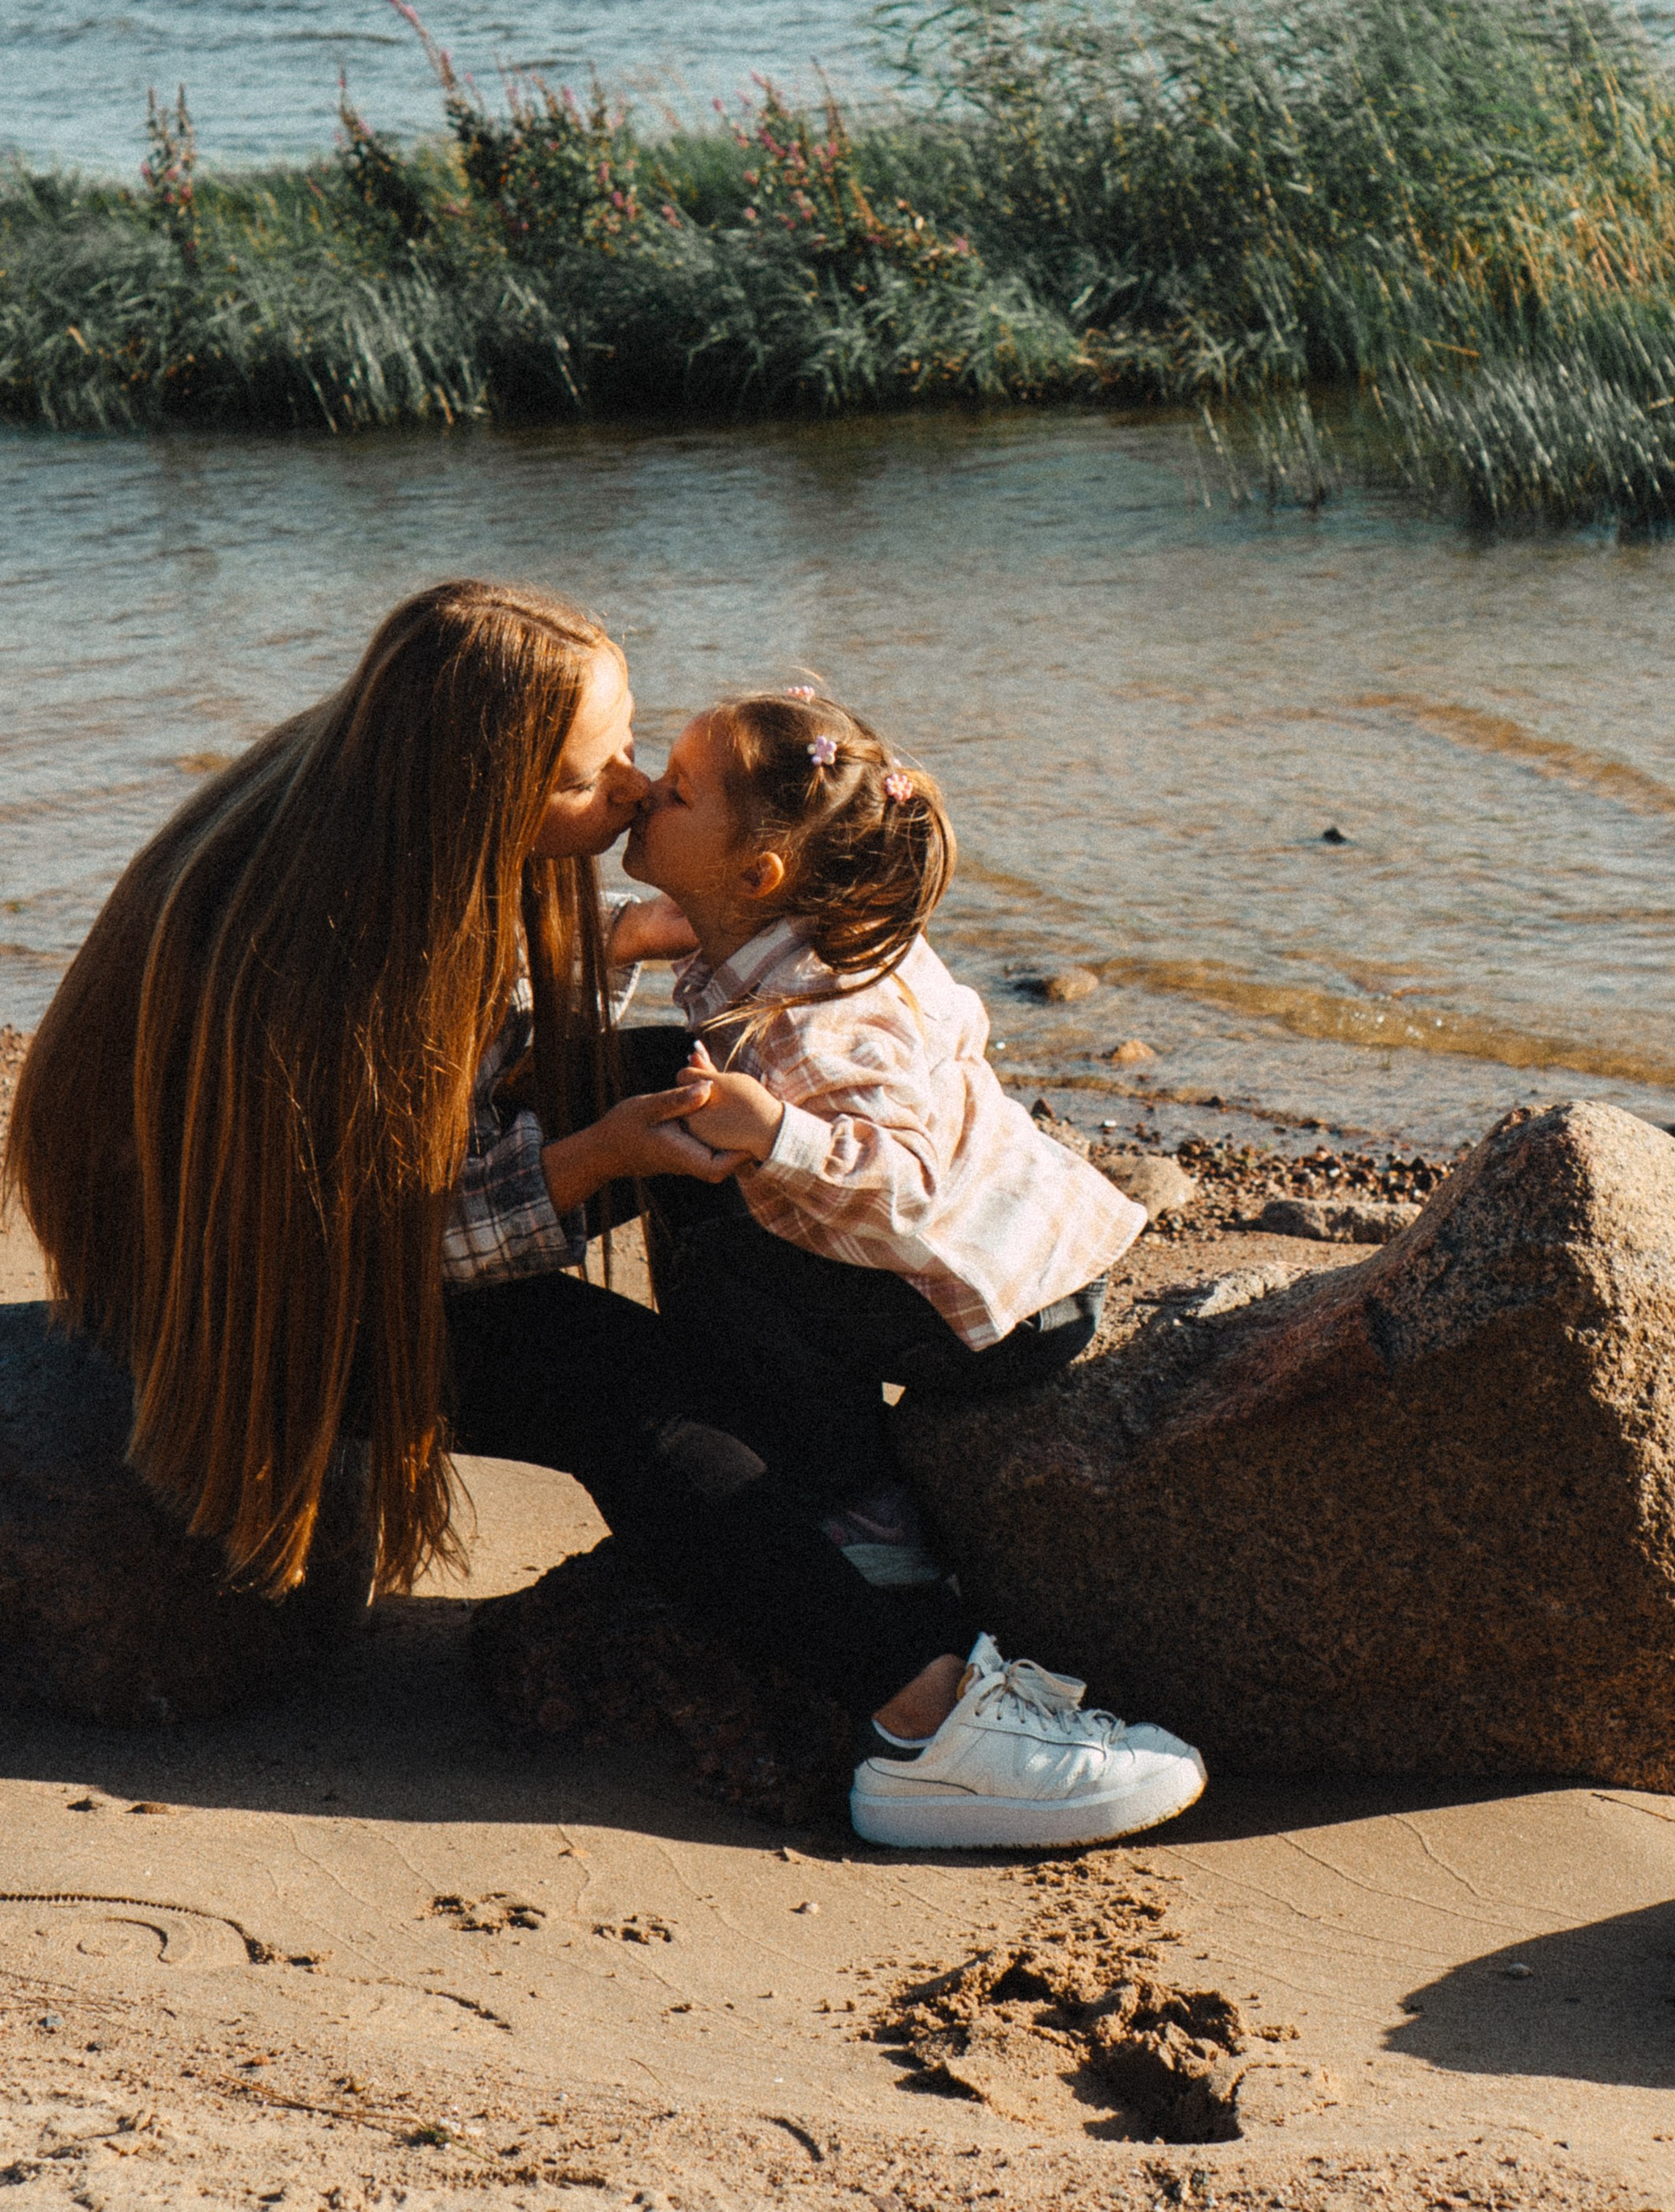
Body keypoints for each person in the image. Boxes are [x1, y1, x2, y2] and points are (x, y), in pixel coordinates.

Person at [3, 581, 1202, 1850]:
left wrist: (700, 957)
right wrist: (585, 1164)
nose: (631, 790)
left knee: (684, 1088)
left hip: (316, 1221)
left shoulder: (378, 810)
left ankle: (815, 1483)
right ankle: (929, 1718)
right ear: (485, 790)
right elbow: (351, 1249)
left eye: (632, 752)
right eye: (595, 775)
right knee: (612, 1376)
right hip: (242, 1298)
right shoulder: (335, 954)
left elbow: (487, 1054)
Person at [611, 683, 1193, 1842]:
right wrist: (642, 930)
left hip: (1001, 1305)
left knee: (730, 1266)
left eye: (674, 792)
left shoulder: (815, 1032)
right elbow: (707, 940)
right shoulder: (819, 935)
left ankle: (859, 1509)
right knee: (716, 1203)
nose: (638, 787)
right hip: (1036, 1249)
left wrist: (778, 1134)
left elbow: (913, 1192)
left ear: (760, 876)